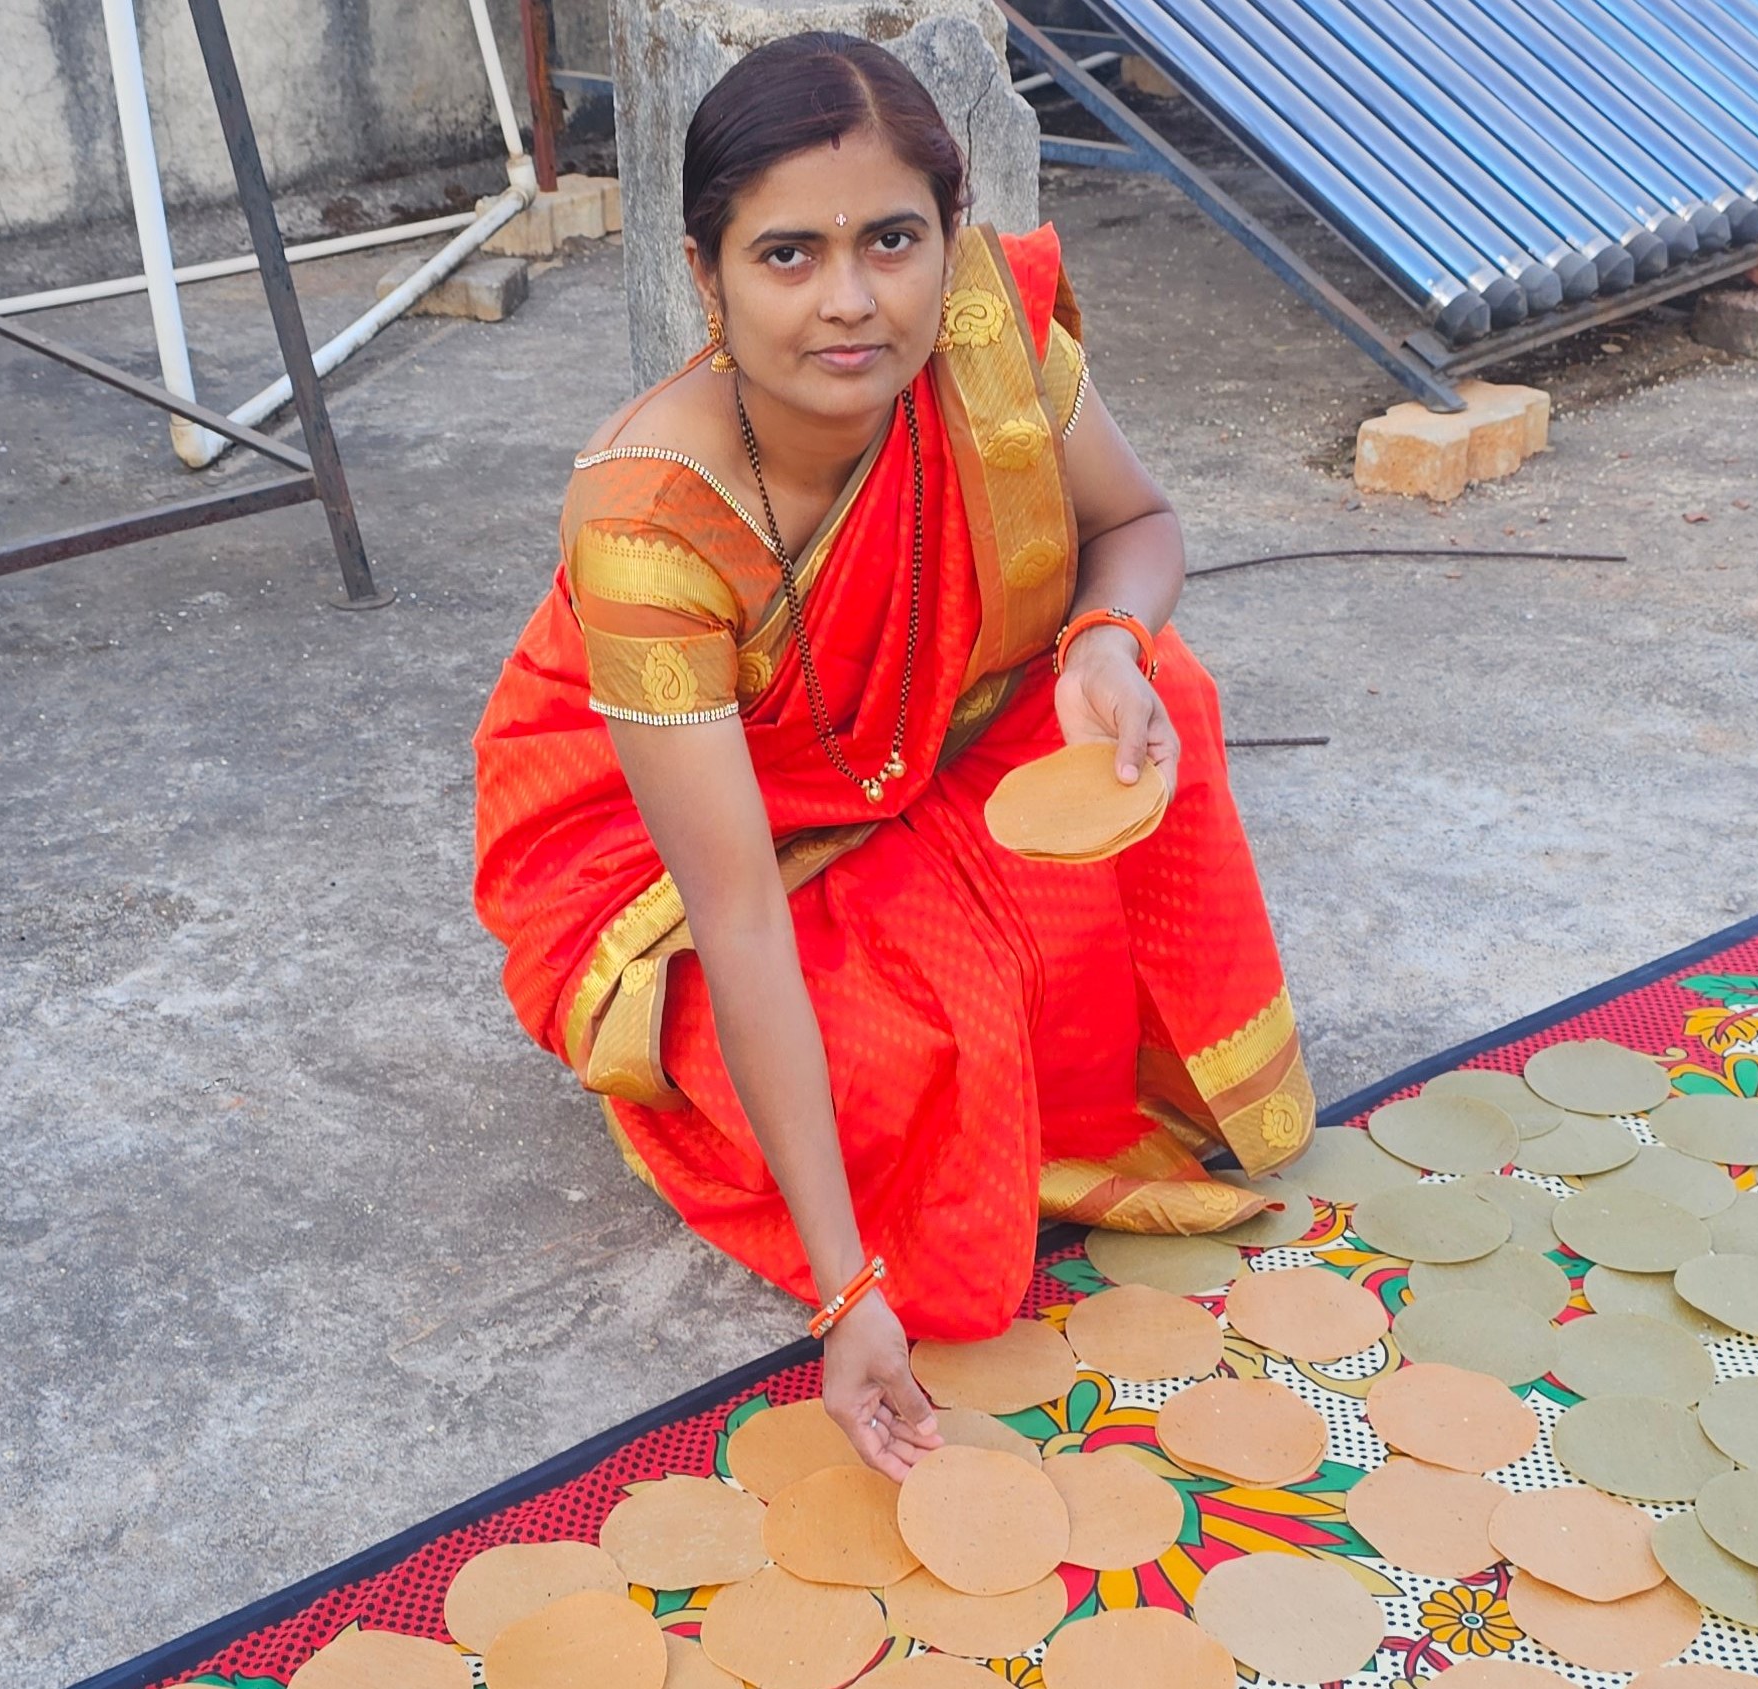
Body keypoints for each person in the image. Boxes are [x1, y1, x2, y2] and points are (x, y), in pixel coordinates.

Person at [474, 32, 1313, 1481]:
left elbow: (1141, 529)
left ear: (951, 239)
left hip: (928, 748)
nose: (852, 301)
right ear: (705, 274)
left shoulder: (986, 346)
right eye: (788, 255)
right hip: (662, 858)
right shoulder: (646, 522)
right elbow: (736, 914)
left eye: (893, 242)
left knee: (1152, 697)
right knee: (897, 1060)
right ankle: (778, 1129)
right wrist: (850, 1292)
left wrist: (1103, 643)